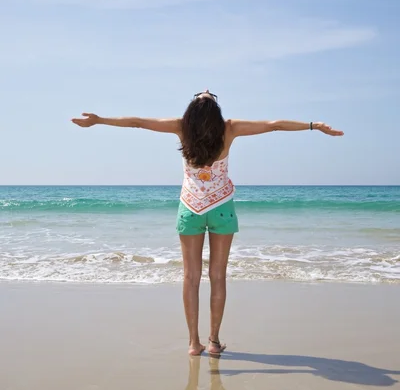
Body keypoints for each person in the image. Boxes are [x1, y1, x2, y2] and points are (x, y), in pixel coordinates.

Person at [72, 90, 344, 357]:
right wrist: (313, 126)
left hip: (190, 208)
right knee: (217, 276)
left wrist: (99, 120)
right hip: (222, 207)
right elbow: (274, 126)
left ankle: (194, 343)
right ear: (215, 109)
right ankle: (213, 341)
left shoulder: (181, 127)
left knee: (191, 278)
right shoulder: (229, 128)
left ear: (193, 109)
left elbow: (137, 123)